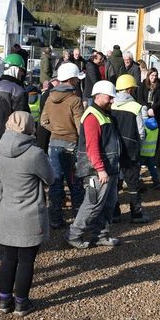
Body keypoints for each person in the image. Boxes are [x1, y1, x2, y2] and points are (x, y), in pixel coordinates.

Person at [0, 111, 53, 316]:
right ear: (28, 127)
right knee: (27, 260)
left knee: (9, 258)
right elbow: (50, 178)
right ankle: (21, 302)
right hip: (29, 214)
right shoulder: (34, 154)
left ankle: (3, 300)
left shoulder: (1, 150)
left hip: (8, 211)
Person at [65, 80, 121, 249]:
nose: (111, 100)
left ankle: (101, 234)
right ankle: (73, 235)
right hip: (96, 170)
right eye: (109, 97)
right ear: (97, 96)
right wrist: (100, 169)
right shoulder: (92, 116)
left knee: (108, 203)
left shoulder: (104, 114)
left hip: (109, 168)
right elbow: (92, 146)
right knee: (93, 204)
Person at [41, 63, 86, 229]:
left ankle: (55, 218)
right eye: (76, 78)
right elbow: (80, 126)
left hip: (53, 143)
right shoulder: (75, 100)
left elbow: (44, 121)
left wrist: (57, 130)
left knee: (56, 181)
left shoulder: (49, 98)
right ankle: (78, 219)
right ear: (71, 79)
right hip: (71, 143)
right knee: (75, 182)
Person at [110, 74, 150, 224]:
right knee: (132, 184)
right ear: (130, 89)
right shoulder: (136, 107)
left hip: (114, 149)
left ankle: (114, 214)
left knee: (114, 183)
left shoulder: (111, 104)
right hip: (131, 150)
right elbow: (141, 132)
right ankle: (136, 214)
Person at [0, 53, 29, 151]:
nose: (22, 74)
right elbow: (22, 118)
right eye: (21, 70)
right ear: (16, 69)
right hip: (13, 140)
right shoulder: (18, 91)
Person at [142, 68, 160, 161]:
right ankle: (144, 158)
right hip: (145, 113)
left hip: (156, 113)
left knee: (157, 137)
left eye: (155, 75)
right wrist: (147, 108)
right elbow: (140, 98)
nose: (154, 77)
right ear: (148, 76)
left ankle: (156, 160)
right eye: (152, 75)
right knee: (145, 136)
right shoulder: (143, 84)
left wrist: (153, 108)